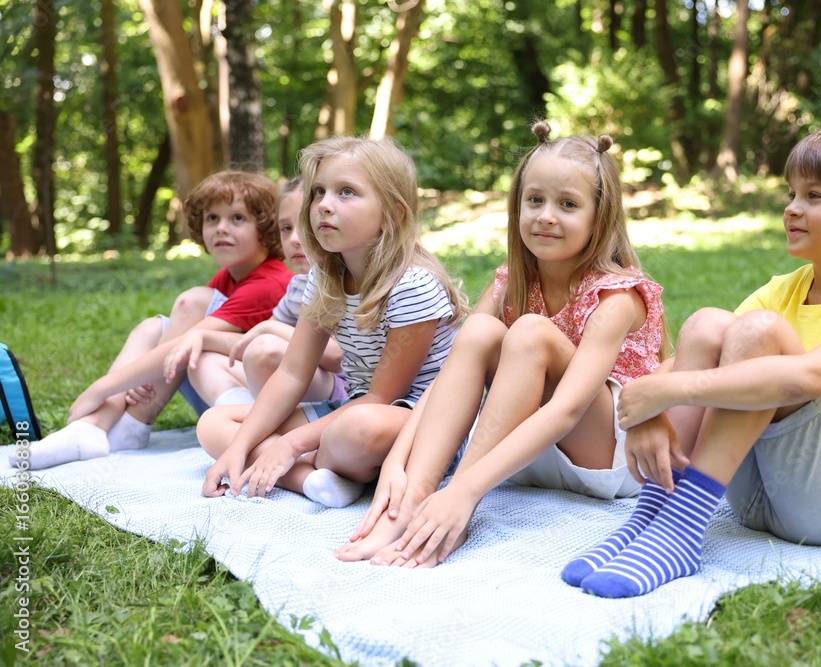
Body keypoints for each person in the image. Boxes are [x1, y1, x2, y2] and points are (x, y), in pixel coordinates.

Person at [566, 122, 821, 598]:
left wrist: (671, 391)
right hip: (759, 496)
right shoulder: (785, 289)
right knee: (706, 324)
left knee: (759, 333)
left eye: (814, 196)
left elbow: (811, 376)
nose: (792, 207)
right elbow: (686, 364)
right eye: (791, 193)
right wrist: (647, 410)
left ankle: (680, 532)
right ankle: (656, 517)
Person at [336, 121, 666, 567]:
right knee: (479, 331)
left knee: (530, 332)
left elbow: (568, 409)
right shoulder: (511, 283)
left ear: (599, 217)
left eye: (568, 204)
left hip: (610, 455)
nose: (546, 215)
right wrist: (398, 460)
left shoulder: (617, 295)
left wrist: (464, 490)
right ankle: (412, 501)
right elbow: (451, 376)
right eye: (535, 200)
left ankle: (456, 501)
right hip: (532, 453)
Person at [196, 135, 467, 509]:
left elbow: (383, 398)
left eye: (346, 193)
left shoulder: (412, 285)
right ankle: (312, 480)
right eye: (319, 191)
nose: (324, 205)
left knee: (357, 430)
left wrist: (291, 443)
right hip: (351, 412)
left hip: (421, 426)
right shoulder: (324, 279)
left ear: (393, 213)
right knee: (214, 425)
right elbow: (292, 374)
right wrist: (238, 449)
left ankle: (306, 461)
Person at [11, 171, 293, 470]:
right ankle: (93, 427)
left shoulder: (269, 282)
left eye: (238, 219)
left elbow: (186, 344)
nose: (221, 228)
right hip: (225, 385)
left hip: (259, 401)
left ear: (266, 228)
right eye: (212, 218)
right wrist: (139, 376)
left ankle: (130, 423)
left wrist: (101, 388)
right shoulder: (231, 275)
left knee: (192, 303)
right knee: (152, 327)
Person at [175, 178, 347, 408]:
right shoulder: (298, 287)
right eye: (286, 228)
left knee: (265, 351)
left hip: (340, 391)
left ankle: (257, 424)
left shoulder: (348, 283)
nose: (294, 239)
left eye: (306, 225)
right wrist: (202, 337)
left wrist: (270, 328)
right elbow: (250, 340)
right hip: (296, 382)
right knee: (202, 361)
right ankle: (242, 416)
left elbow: (337, 358)